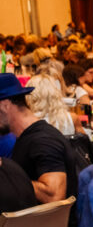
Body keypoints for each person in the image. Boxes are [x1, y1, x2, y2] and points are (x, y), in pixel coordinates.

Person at [0, 74, 76, 205]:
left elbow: (55, 197)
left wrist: (10, 178)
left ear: (5, 105)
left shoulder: (43, 141)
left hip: (40, 225)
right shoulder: (25, 137)